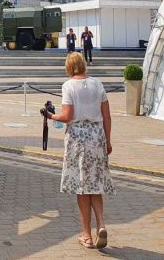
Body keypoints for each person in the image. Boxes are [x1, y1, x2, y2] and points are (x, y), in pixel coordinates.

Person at [44, 52, 114, 249]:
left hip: (78, 138)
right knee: (95, 184)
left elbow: (67, 116)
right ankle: (101, 224)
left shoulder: (69, 86)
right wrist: (108, 141)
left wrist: (51, 116)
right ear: (83, 64)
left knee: (81, 187)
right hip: (97, 136)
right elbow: (107, 116)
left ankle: (87, 235)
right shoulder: (97, 84)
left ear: (68, 67)